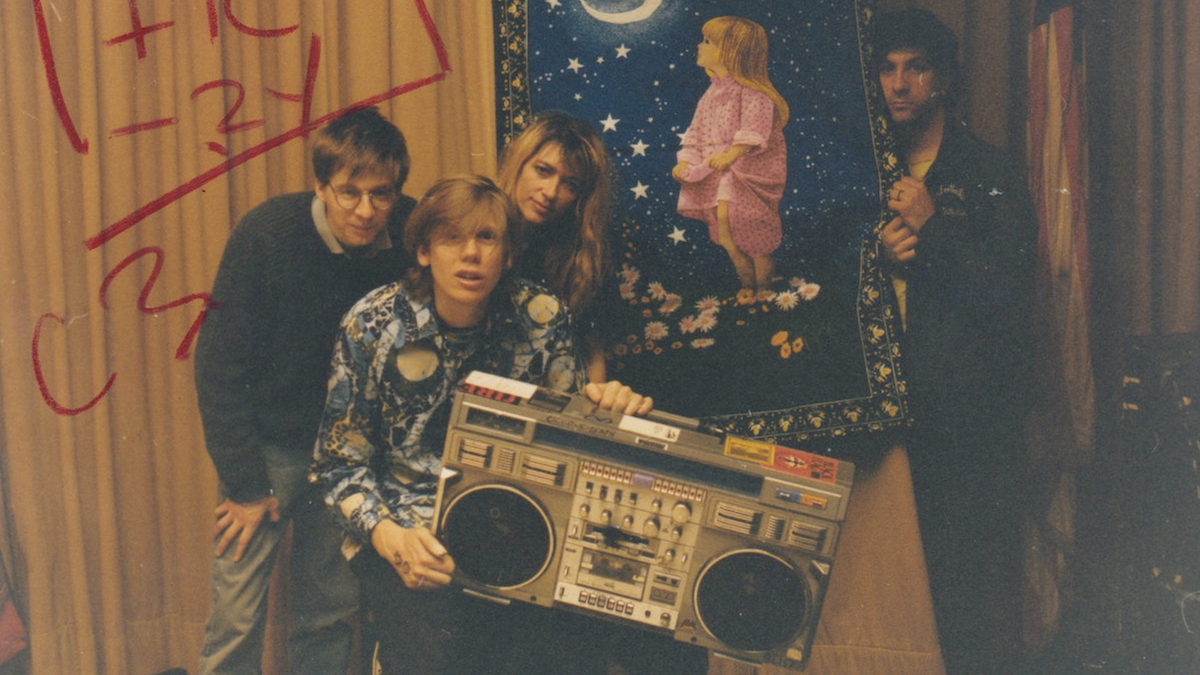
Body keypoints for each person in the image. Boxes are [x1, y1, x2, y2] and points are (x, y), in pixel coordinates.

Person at [310, 175, 658, 675]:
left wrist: (608, 407)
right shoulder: (372, 324)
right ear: (424, 252)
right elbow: (338, 466)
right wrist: (389, 538)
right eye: (452, 238)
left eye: (486, 238)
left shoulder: (542, 317)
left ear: (508, 254)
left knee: (571, 655)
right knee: (435, 655)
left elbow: (573, 442)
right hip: (409, 527)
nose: (470, 254)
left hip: (520, 528)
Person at [193, 106, 416, 675]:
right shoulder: (266, 234)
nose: (365, 210)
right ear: (320, 185)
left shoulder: (412, 232)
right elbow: (218, 365)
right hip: (269, 452)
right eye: (349, 192)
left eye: (381, 195)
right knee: (236, 617)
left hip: (351, 458)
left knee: (329, 612)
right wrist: (246, 485)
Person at [872, 9, 1037, 675]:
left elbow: (1010, 296)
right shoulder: (862, 167)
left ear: (942, 79)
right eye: (887, 69)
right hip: (884, 422)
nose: (899, 83)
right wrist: (876, 256)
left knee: (967, 601)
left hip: (966, 426)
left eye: (915, 67)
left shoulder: (989, 170)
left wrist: (933, 228)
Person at [672, 15, 789, 297]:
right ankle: (747, 284)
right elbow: (695, 132)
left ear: (731, 51)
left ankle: (764, 287)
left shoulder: (754, 94)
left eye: (707, 42)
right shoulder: (711, 94)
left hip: (745, 175)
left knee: (749, 227)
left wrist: (732, 154)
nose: (699, 46)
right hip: (719, 174)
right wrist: (686, 161)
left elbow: (754, 130)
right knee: (725, 233)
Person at [496, 110, 615, 382]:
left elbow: (593, 355)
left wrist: (595, 407)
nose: (550, 193)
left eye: (570, 184)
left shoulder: (584, 255)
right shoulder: (475, 229)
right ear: (518, 163)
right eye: (543, 170)